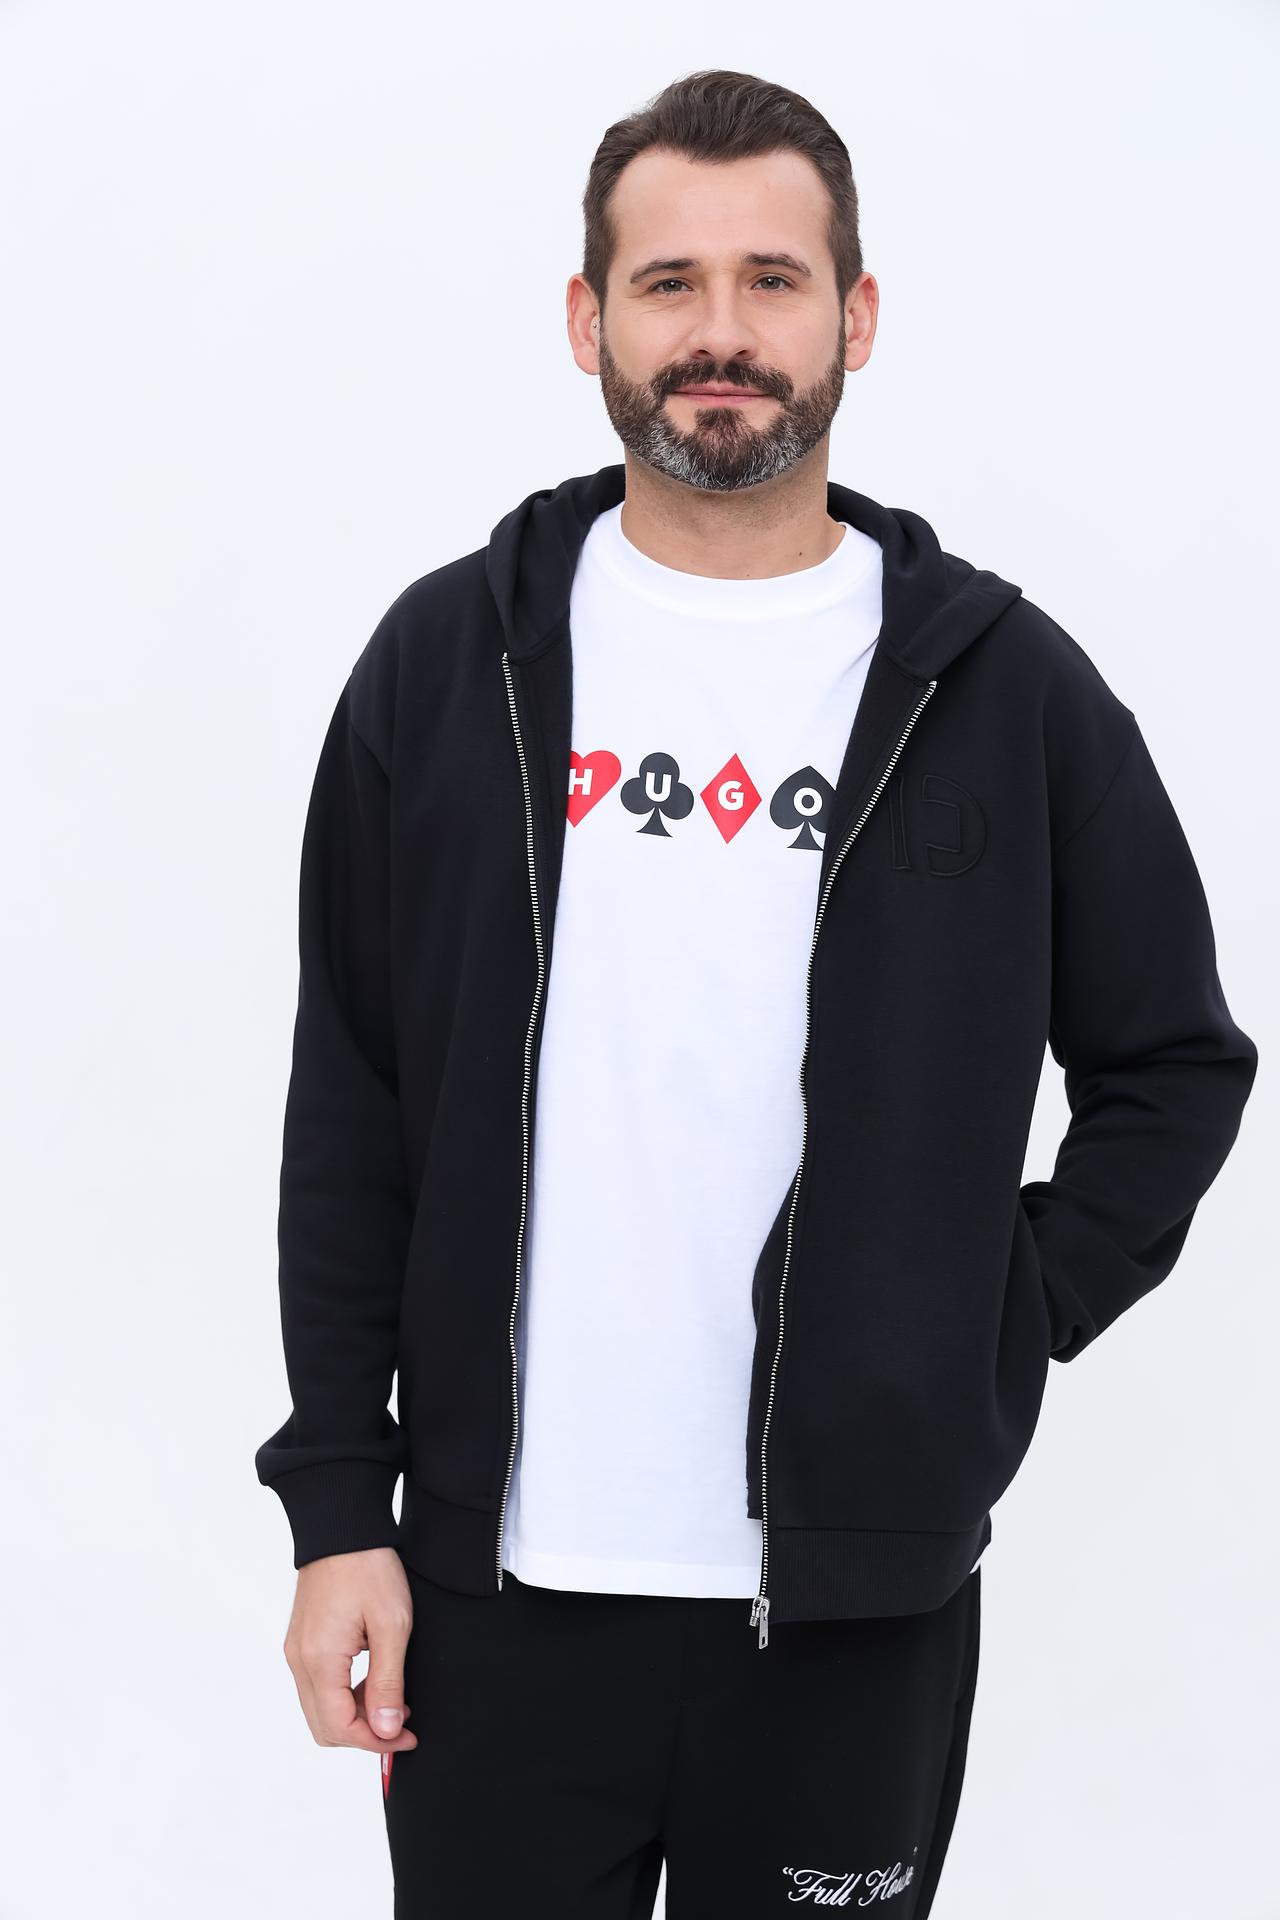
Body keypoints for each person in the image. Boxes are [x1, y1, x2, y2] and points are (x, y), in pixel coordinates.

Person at [254, 68, 1259, 1918]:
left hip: (849, 1607)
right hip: (493, 1592)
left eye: (773, 281)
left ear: (855, 317)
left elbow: (1176, 1064)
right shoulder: (449, 663)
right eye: (670, 283)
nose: (721, 333)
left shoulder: (1005, 691)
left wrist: (995, 1310)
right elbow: (355, 1104)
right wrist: (340, 1512)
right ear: (590, 322)